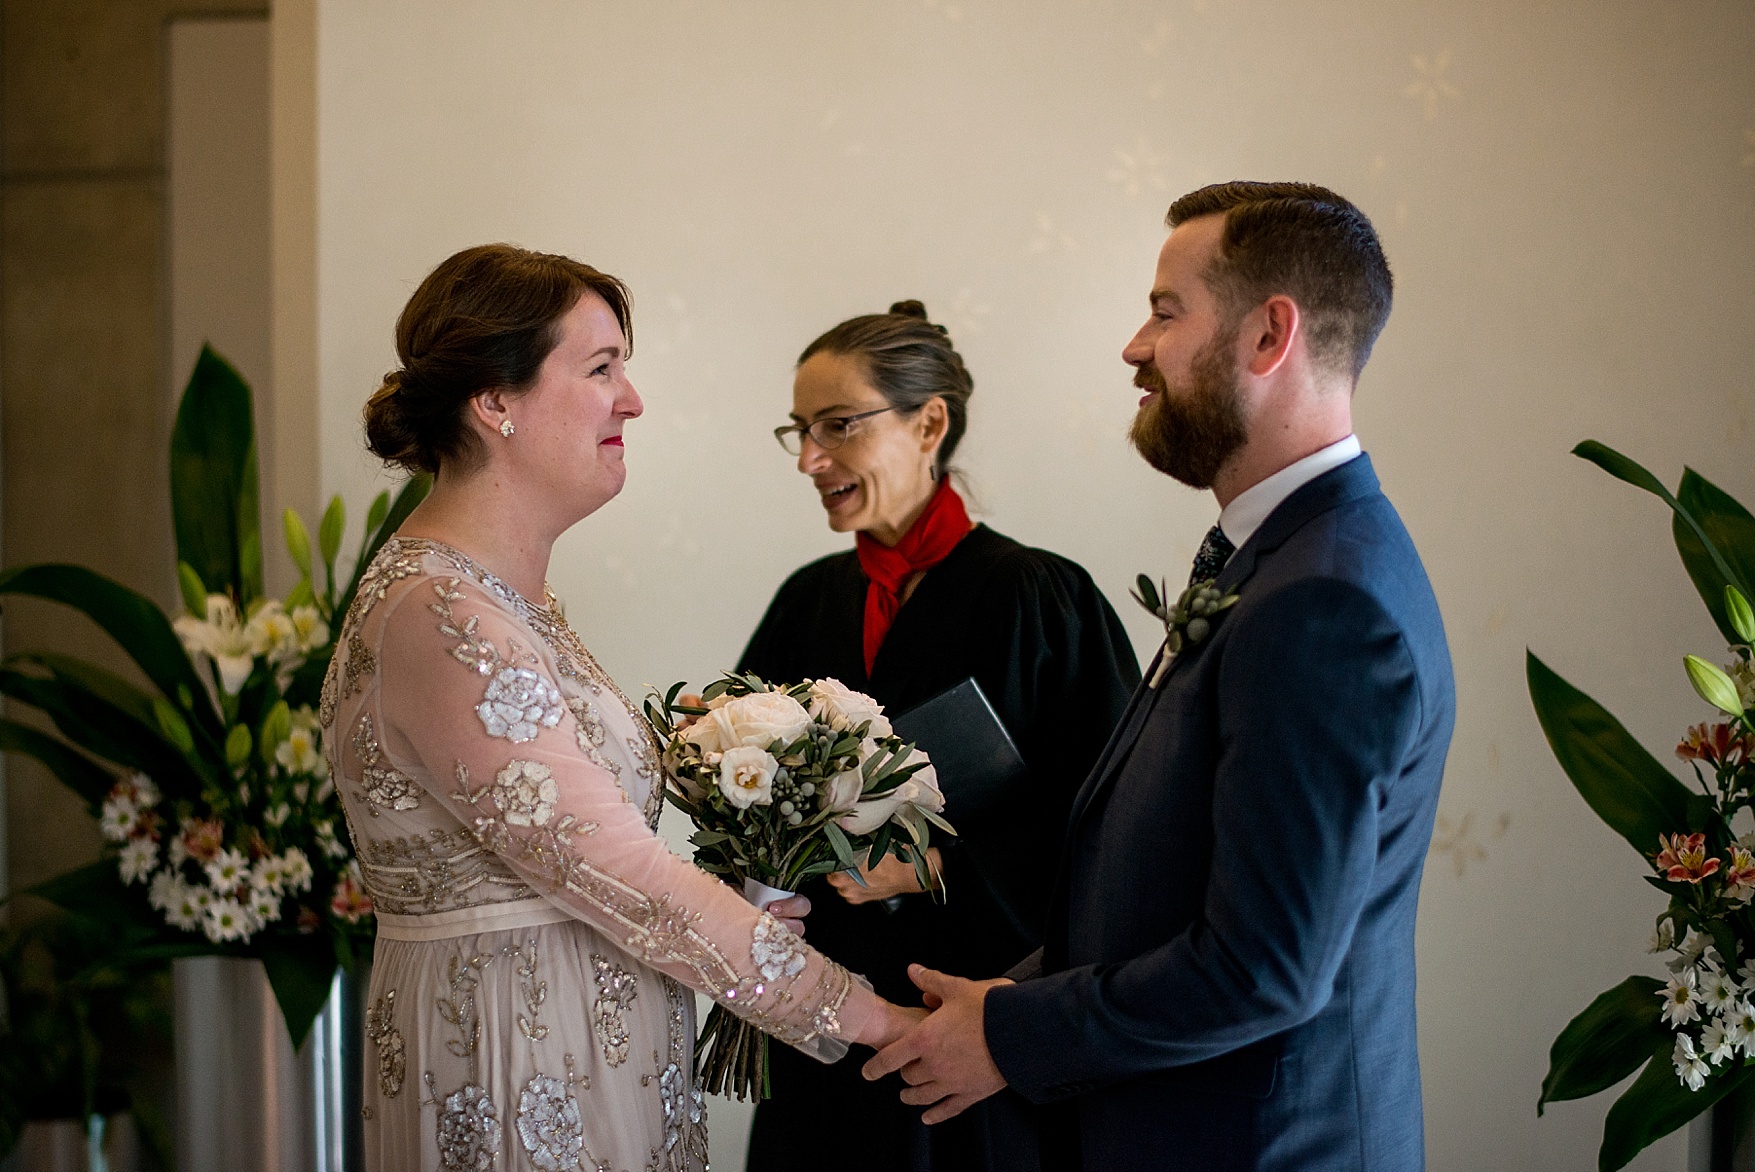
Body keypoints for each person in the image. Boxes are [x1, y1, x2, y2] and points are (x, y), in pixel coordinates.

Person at [866, 183, 1457, 1171]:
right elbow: (1158, 885)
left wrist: (1011, 1032)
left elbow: (1260, 967)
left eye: (1166, 310)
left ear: (1272, 334)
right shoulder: (1280, 557)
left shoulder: (1325, 599)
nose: (1135, 346)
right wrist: (999, 1002)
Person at [323, 244, 921, 1172]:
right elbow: (618, 873)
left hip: (594, 1060)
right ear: (496, 400)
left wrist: (742, 904)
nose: (631, 398)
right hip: (516, 1071)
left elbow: (565, 864)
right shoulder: (443, 616)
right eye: (600, 367)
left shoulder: (503, 603)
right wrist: (872, 1019)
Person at [739, 301, 1140, 1172]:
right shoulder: (806, 600)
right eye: (801, 431)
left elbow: (1116, 826)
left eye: (837, 425)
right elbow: (744, 797)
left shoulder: (1042, 596)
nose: (811, 458)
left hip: (970, 1038)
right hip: (822, 1029)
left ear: (929, 424)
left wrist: (939, 865)